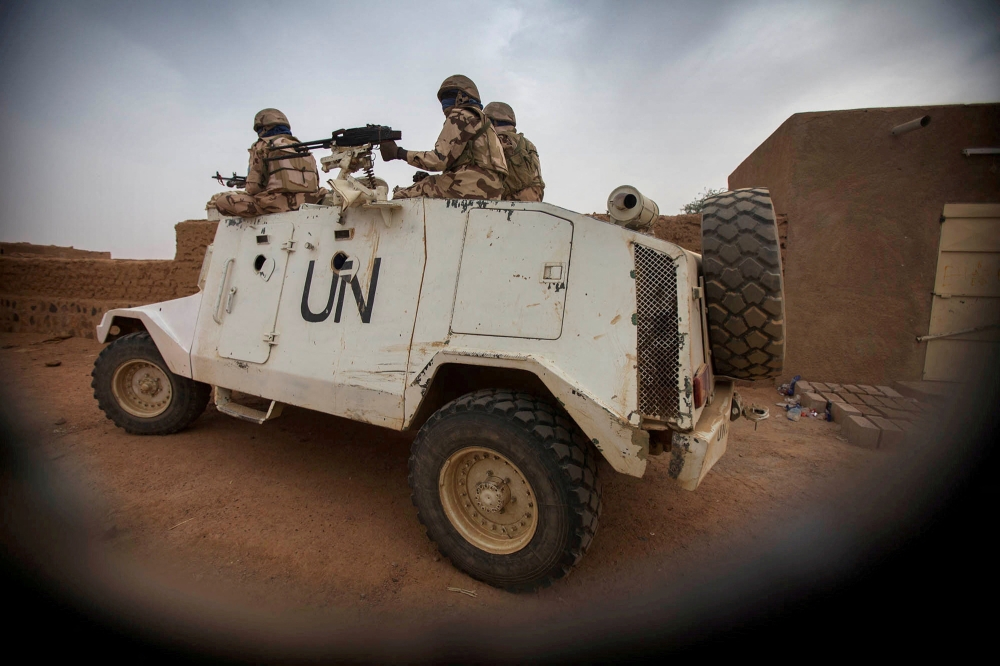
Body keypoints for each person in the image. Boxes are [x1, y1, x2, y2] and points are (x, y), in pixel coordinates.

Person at [379, 75, 507, 200]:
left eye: (449, 96)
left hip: (471, 185)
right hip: (491, 190)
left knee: (401, 195)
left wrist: (398, 153)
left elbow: (438, 160)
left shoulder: (461, 115)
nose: (445, 104)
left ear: (461, 97)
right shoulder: (484, 122)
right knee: (426, 183)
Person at [208, 108, 326, 217]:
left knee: (222, 201)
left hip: (276, 205)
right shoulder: (301, 147)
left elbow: (253, 188)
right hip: (308, 200)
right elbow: (315, 182)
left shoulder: (262, 146)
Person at [483, 101, 545, 202]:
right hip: (534, 199)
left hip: (513, 199)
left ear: (492, 122)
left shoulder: (500, 140)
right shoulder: (527, 143)